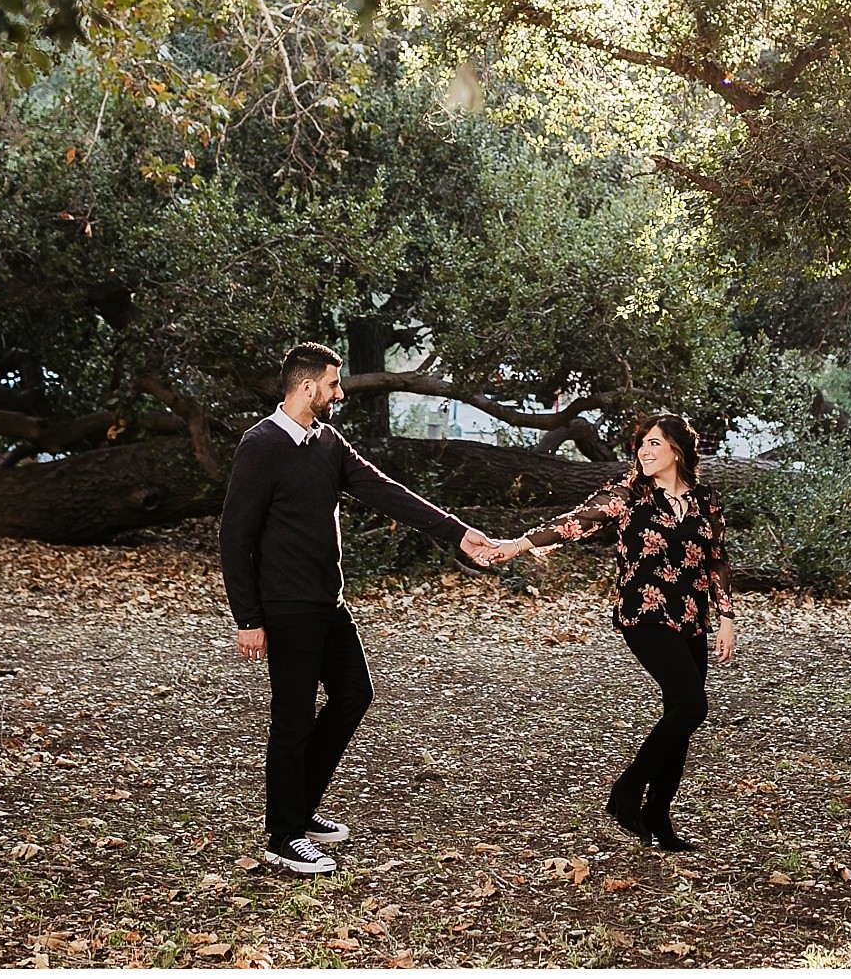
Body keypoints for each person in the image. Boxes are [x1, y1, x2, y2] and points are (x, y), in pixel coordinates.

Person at [219, 341, 501, 875]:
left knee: (354, 694)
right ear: (307, 388)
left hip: (328, 602)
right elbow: (234, 538)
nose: (339, 393)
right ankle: (283, 835)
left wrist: (458, 533)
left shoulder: (327, 442)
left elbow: (384, 490)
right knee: (293, 719)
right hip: (285, 607)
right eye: (332, 384)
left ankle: (300, 811)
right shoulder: (260, 446)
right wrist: (248, 618)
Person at [484, 412, 735, 852]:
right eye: (642, 444)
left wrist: (726, 616)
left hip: (693, 618)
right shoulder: (627, 494)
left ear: (678, 448)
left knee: (678, 716)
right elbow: (575, 522)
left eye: (655, 443)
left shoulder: (704, 500)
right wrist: (520, 544)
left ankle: (658, 815)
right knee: (693, 705)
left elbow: (716, 559)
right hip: (644, 615)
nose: (645, 451)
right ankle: (626, 792)